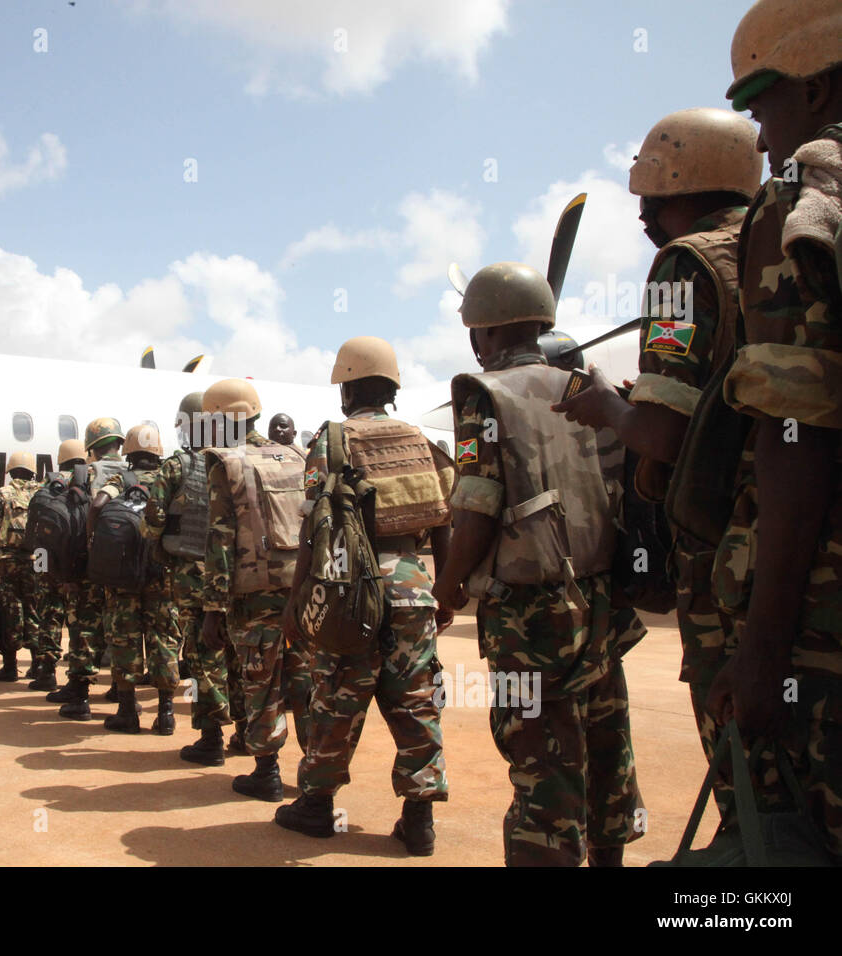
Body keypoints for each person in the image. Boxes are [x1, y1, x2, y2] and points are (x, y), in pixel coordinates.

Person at [552, 107, 763, 816]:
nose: (644, 217)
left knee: (754, 785)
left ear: (678, 181)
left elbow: (666, 438)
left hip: (734, 555)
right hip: (798, 537)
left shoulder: (686, 263)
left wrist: (609, 408)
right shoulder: (776, 243)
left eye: (651, 197)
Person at [431, 262, 647, 866]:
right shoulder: (587, 388)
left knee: (542, 765)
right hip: (604, 603)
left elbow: (476, 508)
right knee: (607, 746)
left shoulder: (483, 397)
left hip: (530, 620)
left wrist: (446, 591)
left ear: (483, 331)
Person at [708, 0, 842, 862]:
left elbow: (799, 437)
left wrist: (761, 652)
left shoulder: (805, 194)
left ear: (819, 85)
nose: (760, 141)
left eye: (763, 107)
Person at [275, 336, 456, 855]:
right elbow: (445, 522)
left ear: (347, 389)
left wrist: (296, 602)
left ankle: (315, 805)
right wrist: (441, 590)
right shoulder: (422, 441)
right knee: (417, 699)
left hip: (347, 588)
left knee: (336, 697)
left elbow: (317, 528)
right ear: (392, 389)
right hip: (412, 586)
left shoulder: (331, 441)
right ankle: (419, 817)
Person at [202, 378, 312, 800]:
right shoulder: (296, 456)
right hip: (301, 592)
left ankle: (266, 772)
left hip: (254, 596)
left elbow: (220, 540)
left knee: (261, 681)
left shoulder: (227, 464)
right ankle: (312, 777)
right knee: (305, 683)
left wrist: (213, 608)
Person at [144, 392, 247, 763]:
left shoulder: (176, 467)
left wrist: (155, 544)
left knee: (203, 655)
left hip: (192, 576)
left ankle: (211, 738)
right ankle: (248, 732)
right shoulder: (237, 462)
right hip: (236, 574)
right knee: (237, 650)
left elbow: (154, 516)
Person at [93, 424, 181, 733]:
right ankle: (166, 713)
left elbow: (97, 504)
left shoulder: (122, 479)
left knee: (125, 639)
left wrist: (97, 539)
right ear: (158, 452)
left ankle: (128, 711)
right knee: (164, 639)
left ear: (129, 452)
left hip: (126, 574)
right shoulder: (168, 480)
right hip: (163, 574)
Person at [53, 418, 127, 720]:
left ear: (91, 447)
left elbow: (67, 522)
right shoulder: (134, 474)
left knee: (84, 625)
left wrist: (66, 570)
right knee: (123, 629)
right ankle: (123, 693)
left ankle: (80, 694)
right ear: (119, 444)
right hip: (125, 565)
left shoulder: (84, 473)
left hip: (89, 565)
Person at [31, 438, 89, 694]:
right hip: (77, 561)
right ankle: (79, 676)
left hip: (46, 556)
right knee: (77, 619)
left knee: (48, 612)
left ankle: (46, 670)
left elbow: (35, 526)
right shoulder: (87, 480)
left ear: (61, 459)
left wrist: (40, 562)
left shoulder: (49, 482)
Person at [0, 450, 43, 682]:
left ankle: (10, 667)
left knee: (8, 611)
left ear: (11, 472)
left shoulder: (3, 493)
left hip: (6, 561)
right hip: (37, 559)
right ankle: (38, 665)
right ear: (32, 471)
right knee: (35, 609)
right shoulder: (42, 492)